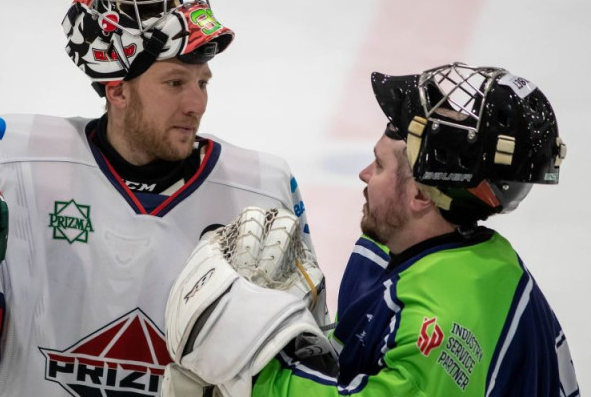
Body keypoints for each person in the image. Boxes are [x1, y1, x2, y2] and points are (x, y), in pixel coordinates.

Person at [0, 0, 329, 397]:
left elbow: (310, 366)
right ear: (117, 88)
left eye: (203, 81)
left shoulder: (260, 194)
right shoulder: (18, 165)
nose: (197, 103)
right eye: (175, 83)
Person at [165, 62, 579, 396]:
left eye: (380, 166)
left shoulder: (448, 315)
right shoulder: (397, 249)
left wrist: (257, 375)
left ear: (420, 196)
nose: (364, 174)